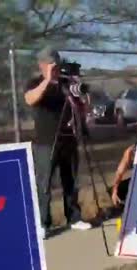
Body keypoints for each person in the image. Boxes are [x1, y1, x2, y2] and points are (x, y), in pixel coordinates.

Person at [24, 47, 92, 236]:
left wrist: (81, 95)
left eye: (57, 65)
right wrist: (47, 81)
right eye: (51, 65)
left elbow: (82, 109)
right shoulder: (35, 82)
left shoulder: (66, 84)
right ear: (42, 65)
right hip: (45, 142)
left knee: (70, 181)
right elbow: (30, 99)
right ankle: (43, 223)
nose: (55, 69)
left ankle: (74, 217)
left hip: (68, 139)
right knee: (44, 184)